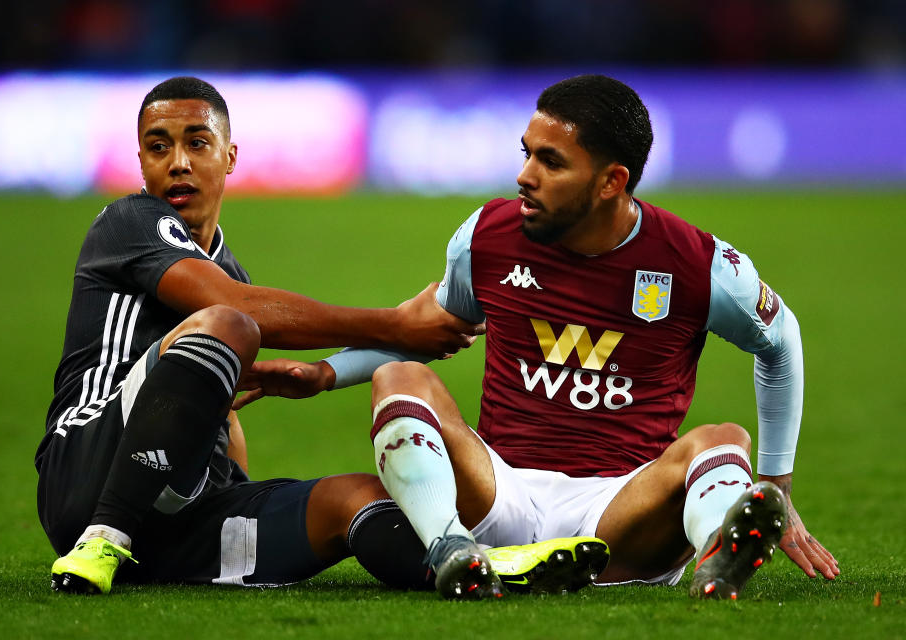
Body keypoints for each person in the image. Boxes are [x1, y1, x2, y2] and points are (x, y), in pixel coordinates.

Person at [242, 75, 840, 600]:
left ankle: (722, 549)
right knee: (399, 378)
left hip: (620, 513)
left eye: (551, 163)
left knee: (721, 438)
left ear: (611, 182)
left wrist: (776, 483)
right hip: (497, 493)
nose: (525, 176)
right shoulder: (485, 237)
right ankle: (451, 550)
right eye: (526, 154)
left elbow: (780, 345)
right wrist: (325, 373)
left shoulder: (699, 266)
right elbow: (423, 335)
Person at [36, 76, 485, 594]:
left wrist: (242, 500)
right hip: (83, 482)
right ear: (141, 162)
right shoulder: (128, 221)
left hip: (174, 526)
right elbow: (233, 311)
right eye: (159, 147)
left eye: (196, 143)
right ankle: (104, 537)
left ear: (229, 157)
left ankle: (471, 563)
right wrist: (397, 325)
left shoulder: (227, 271)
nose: (177, 162)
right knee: (229, 321)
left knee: (357, 499)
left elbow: (220, 412)